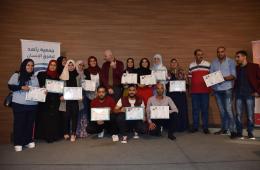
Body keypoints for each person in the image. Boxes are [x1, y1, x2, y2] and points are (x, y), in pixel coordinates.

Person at [8, 59, 39, 152]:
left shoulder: (34, 77)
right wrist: (21, 87)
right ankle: (18, 142)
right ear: (24, 65)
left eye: (32, 65)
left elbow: (36, 90)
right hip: (19, 104)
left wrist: (43, 92)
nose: (30, 67)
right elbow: (10, 86)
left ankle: (28, 140)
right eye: (28, 65)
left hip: (32, 104)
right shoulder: (17, 74)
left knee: (29, 124)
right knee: (19, 124)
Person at [210, 46, 237, 139]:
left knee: (229, 110)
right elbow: (211, 77)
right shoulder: (213, 62)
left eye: (222, 51)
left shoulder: (231, 61)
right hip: (217, 90)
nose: (220, 53)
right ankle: (224, 129)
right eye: (218, 52)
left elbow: (233, 76)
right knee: (222, 111)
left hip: (227, 89)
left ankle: (233, 130)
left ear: (225, 52)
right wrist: (213, 88)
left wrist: (222, 78)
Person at [234, 50, 260, 140]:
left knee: (250, 115)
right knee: (238, 114)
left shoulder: (254, 66)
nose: (236, 59)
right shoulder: (236, 68)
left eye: (238, 57)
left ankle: (250, 133)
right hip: (238, 94)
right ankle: (239, 133)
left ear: (244, 57)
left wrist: (258, 91)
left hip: (250, 94)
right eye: (236, 57)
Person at [36, 60, 61, 143]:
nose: (53, 66)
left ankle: (54, 136)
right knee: (46, 118)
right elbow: (37, 85)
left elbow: (60, 89)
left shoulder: (58, 77)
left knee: (54, 118)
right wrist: (42, 87)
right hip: (45, 100)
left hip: (55, 100)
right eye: (51, 65)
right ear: (49, 66)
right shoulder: (42, 74)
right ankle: (47, 137)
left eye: (54, 65)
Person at [188, 49, 211, 134]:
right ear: (195, 55)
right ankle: (195, 127)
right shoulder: (191, 65)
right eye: (198, 54)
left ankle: (205, 127)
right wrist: (190, 90)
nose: (200, 56)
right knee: (195, 109)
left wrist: (210, 88)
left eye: (202, 54)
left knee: (205, 109)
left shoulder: (208, 64)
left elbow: (211, 77)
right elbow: (190, 78)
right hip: (194, 91)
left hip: (205, 91)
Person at [60, 59, 79, 142]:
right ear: (66, 66)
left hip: (75, 100)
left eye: (72, 65)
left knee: (75, 116)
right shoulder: (62, 76)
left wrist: (80, 95)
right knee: (66, 116)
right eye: (69, 65)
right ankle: (66, 132)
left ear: (74, 66)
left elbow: (81, 86)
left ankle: (73, 133)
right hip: (66, 100)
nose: (70, 67)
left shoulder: (78, 75)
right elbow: (60, 88)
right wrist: (61, 96)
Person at [167, 58, 189, 132]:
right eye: (172, 62)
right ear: (170, 64)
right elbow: (166, 84)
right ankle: (173, 126)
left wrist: (183, 86)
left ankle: (181, 127)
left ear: (177, 64)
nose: (173, 64)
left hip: (180, 95)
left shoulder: (182, 72)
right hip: (171, 95)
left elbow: (186, 83)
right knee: (172, 110)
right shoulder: (168, 73)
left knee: (181, 110)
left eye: (175, 62)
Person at [84, 56, 101, 121]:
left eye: (94, 61)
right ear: (89, 62)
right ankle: (91, 126)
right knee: (90, 110)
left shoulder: (100, 70)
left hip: (99, 94)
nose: (93, 62)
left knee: (98, 110)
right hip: (89, 95)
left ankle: (99, 127)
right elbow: (84, 82)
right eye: (91, 61)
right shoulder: (86, 71)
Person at [75, 60, 88, 138]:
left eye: (83, 65)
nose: (81, 66)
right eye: (80, 65)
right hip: (76, 96)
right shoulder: (73, 74)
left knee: (83, 112)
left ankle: (83, 131)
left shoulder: (85, 75)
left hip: (84, 96)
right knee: (77, 113)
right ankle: (76, 131)